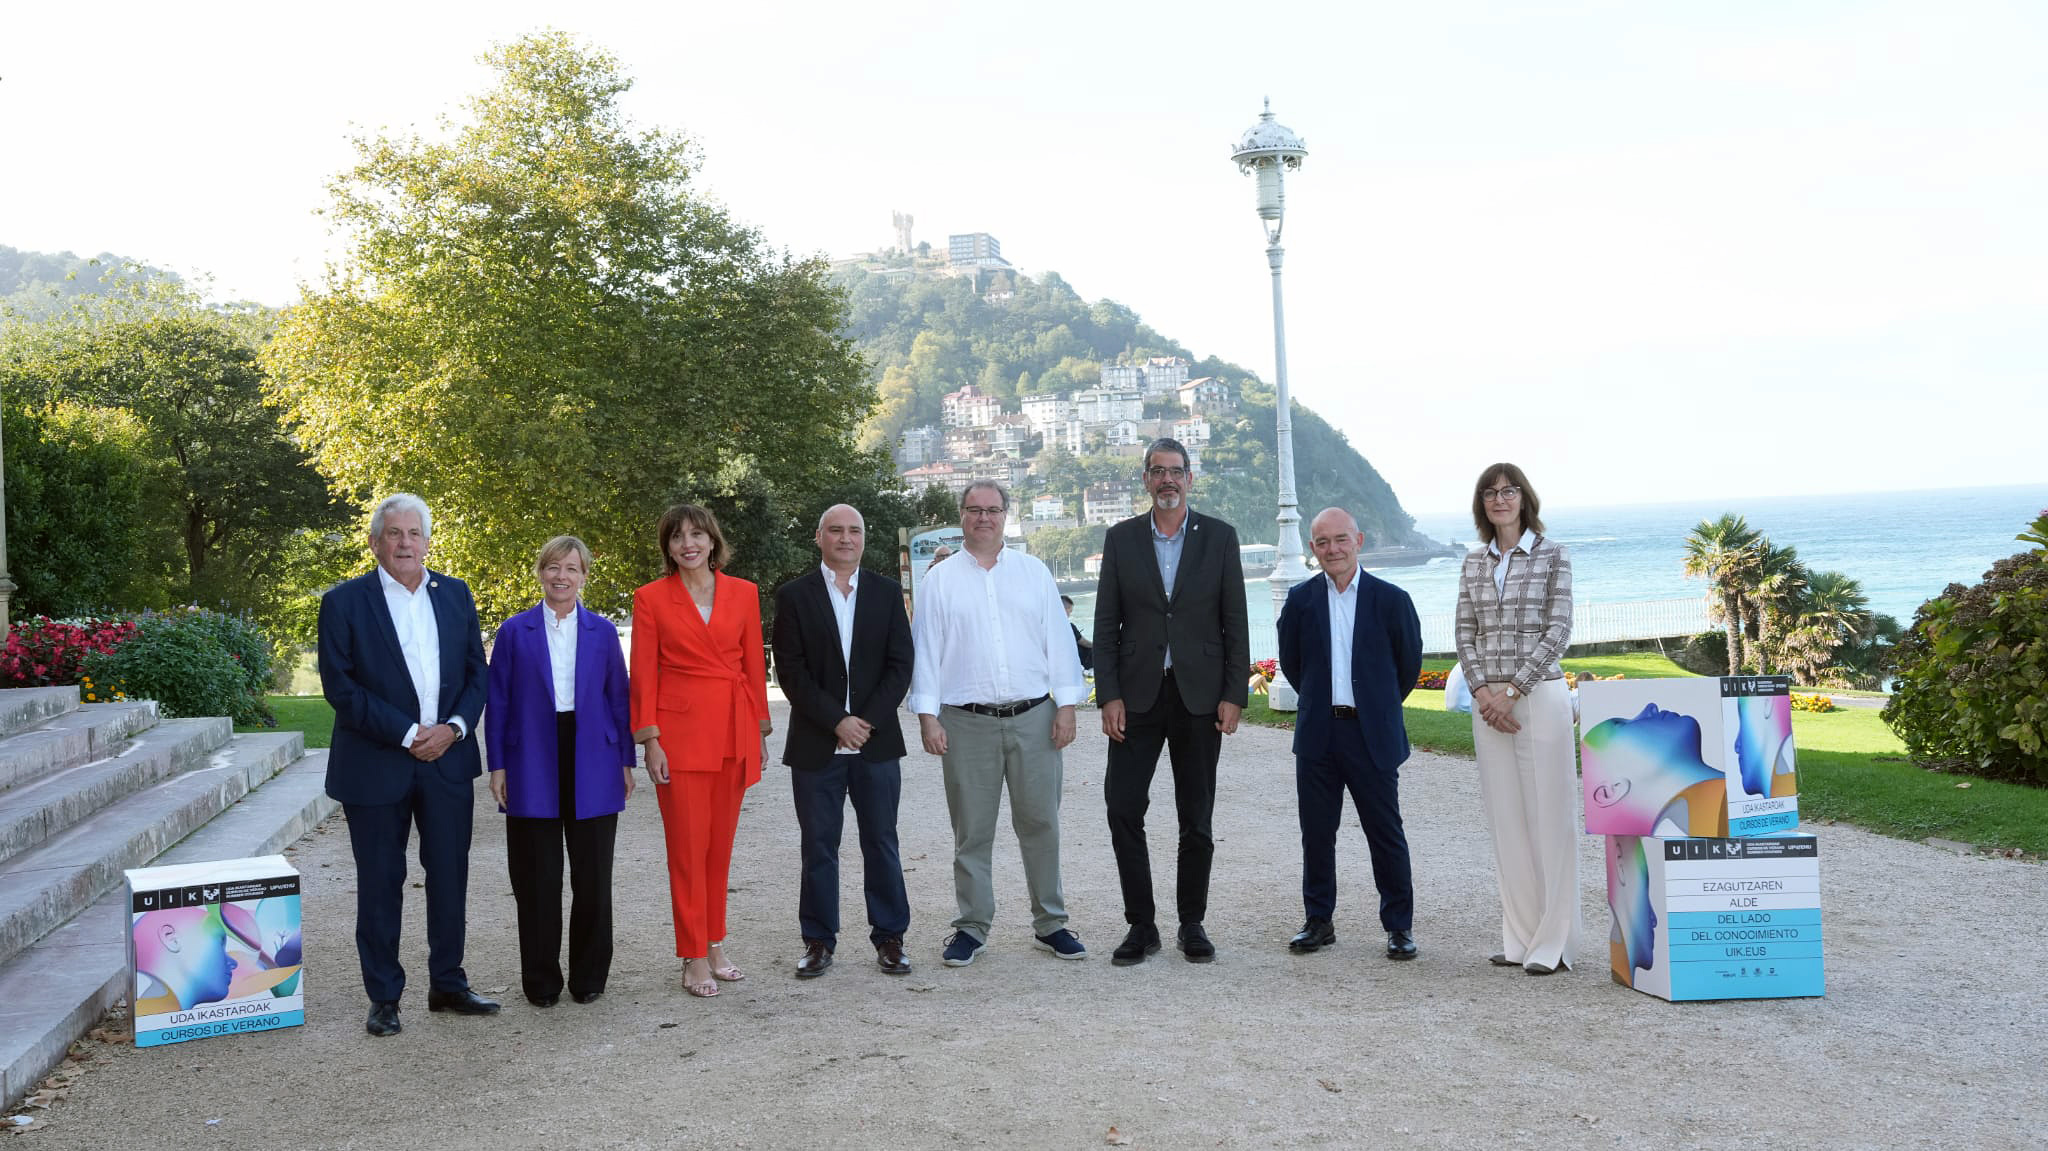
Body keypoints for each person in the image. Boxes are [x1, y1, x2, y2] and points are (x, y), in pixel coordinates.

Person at [317, 493, 497, 1037]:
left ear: (427, 542)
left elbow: (477, 673)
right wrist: (407, 733)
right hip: (375, 764)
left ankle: (448, 983)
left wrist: (454, 728)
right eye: (393, 533)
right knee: (380, 881)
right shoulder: (344, 602)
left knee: (449, 874)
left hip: (447, 759)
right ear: (375, 542)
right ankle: (384, 997)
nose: (404, 543)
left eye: (414, 533)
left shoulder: (456, 594)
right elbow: (341, 688)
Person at [908, 481, 1090, 966]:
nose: (983, 517)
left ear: (1006, 515)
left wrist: (1067, 706)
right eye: (974, 509)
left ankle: (1051, 923)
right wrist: (928, 717)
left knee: (1041, 823)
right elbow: (925, 651)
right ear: (961, 516)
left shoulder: (1033, 573)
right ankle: (971, 927)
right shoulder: (939, 581)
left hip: (1035, 717)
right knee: (972, 830)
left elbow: (1059, 642)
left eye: (992, 509)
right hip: (965, 722)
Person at [1092, 438, 1249, 965]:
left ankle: (1191, 923)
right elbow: (1106, 626)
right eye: (1157, 471)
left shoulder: (1220, 538)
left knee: (1196, 816)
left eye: (1175, 471)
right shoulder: (1121, 539)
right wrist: (1109, 694)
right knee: (1122, 808)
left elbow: (1235, 621)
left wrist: (1234, 694)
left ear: (1189, 479)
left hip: (1199, 696)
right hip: (1135, 697)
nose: (1167, 480)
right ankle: (1141, 925)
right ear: (1145, 480)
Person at [484, 535, 634, 1007]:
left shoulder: (603, 632)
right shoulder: (514, 631)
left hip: (594, 758)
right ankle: (541, 981)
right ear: (541, 573)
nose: (561, 576)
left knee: (593, 879)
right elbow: (498, 702)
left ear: (584, 576)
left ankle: (589, 977)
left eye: (571, 568)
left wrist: (625, 761)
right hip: (530, 759)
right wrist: (498, 765)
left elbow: (619, 698)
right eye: (553, 567)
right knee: (536, 880)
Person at [630, 504, 772, 998]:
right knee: (687, 853)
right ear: (668, 548)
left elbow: (752, 664)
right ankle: (692, 956)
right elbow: (643, 673)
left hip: (733, 730)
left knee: (718, 850)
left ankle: (714, 945)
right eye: (677, 537)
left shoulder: (744, 592)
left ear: (712, 541)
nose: (688, 544)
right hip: (680, 737)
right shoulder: (650, 598)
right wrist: (650, 740)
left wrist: (758, 731)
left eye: (696, 534)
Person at [771, 504, 916, 979]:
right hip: (817, 744)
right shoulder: (794, 596)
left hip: (876, 743)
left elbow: (901, 665)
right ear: (819, 537)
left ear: (864, 538)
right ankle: (817, 941)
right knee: (818, 846)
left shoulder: (886, 592)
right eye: (836, 530)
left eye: (854, 530)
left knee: (882, 842)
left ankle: (890, 938)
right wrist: (837, 721)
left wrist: (864, 721)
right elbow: (790, 670)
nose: (846, 538)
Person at [1275, 507, 1424, 961]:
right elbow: (1293, 664)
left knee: (1385, 833)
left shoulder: (1392, 600)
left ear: (1358, 541)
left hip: (1371, 734)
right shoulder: (1300, 601)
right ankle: (1318, 920)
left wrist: (1374, 708)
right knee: (1317, 834)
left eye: (1341, 539)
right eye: (1322, 542)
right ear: (1312, 549)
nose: (1333, 549)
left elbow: (1407, 668)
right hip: (1319, 734)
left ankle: (1398, 926)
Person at [1454, 463, 1581, 975]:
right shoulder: (1473, 562)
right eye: (1490, 493)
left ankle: (1554, 943)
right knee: (1506, 821)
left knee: (1551, 819)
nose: (1499, 499)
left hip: (1539, 698)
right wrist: (1483, 692)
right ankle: (1521, 937)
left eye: (1508, 491)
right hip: (1488, 704)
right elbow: (1465, 633)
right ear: (1482, 504)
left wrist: (1511, 691)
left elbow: (1559, 629)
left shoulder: (1553, 554)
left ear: (1524, 498)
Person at [1061, 594, 1093, 672]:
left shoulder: (1049, 627)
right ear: (1064, 609)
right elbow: (1084, 643)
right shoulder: (1068, 627)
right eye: (1069, 611)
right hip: (1079, 661)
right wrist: (1097, 646)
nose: (1069, 615)